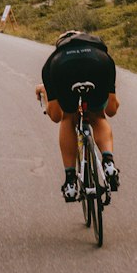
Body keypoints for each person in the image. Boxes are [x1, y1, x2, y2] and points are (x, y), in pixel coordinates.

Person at [36, 30, 120, 202]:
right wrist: (102, 103)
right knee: (98, 117)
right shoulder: (103, 54)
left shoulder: (52, 60)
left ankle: (71, 181)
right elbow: (112, 109)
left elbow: (55, 116)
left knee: (67, 118)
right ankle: (109, 163)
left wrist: (46, 92)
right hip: (98, 62)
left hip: (62, 66)